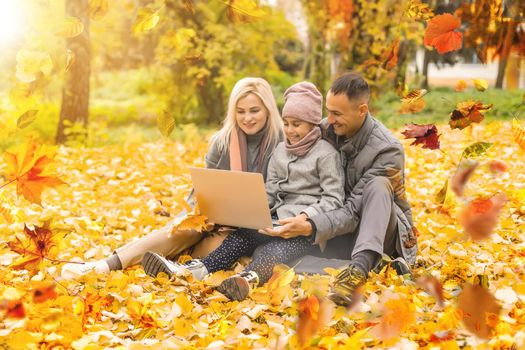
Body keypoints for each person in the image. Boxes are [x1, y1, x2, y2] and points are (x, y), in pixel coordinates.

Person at [61, 77, 283, 279]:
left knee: (216, 249)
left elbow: (285, 195)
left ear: (268, 109)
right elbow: (202, 189)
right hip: (212, 217)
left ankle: (169, 265)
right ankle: (103, 265)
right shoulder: (222, 141)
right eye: (240, 111)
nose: (247, 118)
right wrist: (201, 211)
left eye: (254, 111)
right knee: (181, 230)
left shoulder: (281, 143)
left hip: (248, 231)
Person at [142, 82, 345, 301]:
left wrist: (305, 219)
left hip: (305, 231)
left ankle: (247, 281)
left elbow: (333, 198)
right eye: (286, 124)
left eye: (296, 124)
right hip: (275, 221)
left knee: (274, 252)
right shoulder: (281, 151)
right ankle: (192, 271)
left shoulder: (326, 155)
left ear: (313, 124)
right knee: (240, 237)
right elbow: (272, 191)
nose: (289, 131)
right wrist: (250, 210)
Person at [260, 72, 417, 306]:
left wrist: (311, 226)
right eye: (328, 111)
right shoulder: (325, 131)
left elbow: (354, 210)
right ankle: (369, 265)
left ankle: (359, 269)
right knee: (276, 261)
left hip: (382, 231)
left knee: (378, 185)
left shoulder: (388, 149)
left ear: (362, 110)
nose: (329, 120)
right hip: (339, 228)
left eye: (336, 113)